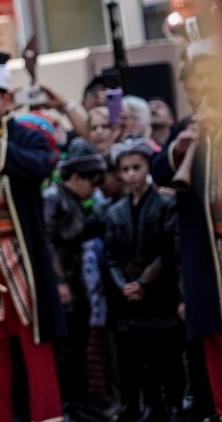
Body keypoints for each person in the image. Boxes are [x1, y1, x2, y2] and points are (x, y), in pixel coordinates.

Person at [0, 50, 65, 422]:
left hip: (24, 264)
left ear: (7, 99)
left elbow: (41, 168)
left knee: (38, 348)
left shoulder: (29, 133)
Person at [151, 43, 222, 418]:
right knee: (212, 331)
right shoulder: (184, 129)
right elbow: (160, 173)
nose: (204, 88)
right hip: (208, 254)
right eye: (197, 82)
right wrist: (180, 148)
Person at [105, 138, 184, 422]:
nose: (130, 174)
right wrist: (123, 286)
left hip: (160, 295)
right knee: (134, 357)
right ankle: (144, 403)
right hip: (128, 300)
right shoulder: (114, 211)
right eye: (124, 169)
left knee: (168, 355)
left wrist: (143, 284)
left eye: (136, 167)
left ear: (147, 167)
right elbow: (110, 256)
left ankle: (173, 402)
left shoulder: (165, 204)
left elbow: (168, 251)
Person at [43, 138, 107, 422]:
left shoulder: (74, 200)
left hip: (75, 279)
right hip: (64, 281)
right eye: (90, 181)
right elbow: (47, 242)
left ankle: (79, 406)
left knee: (78, 346)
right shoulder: (54, 198)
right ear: (77, 177)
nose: (94, 188)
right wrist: (59, 282)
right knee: (67, 350)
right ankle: (69, 407)